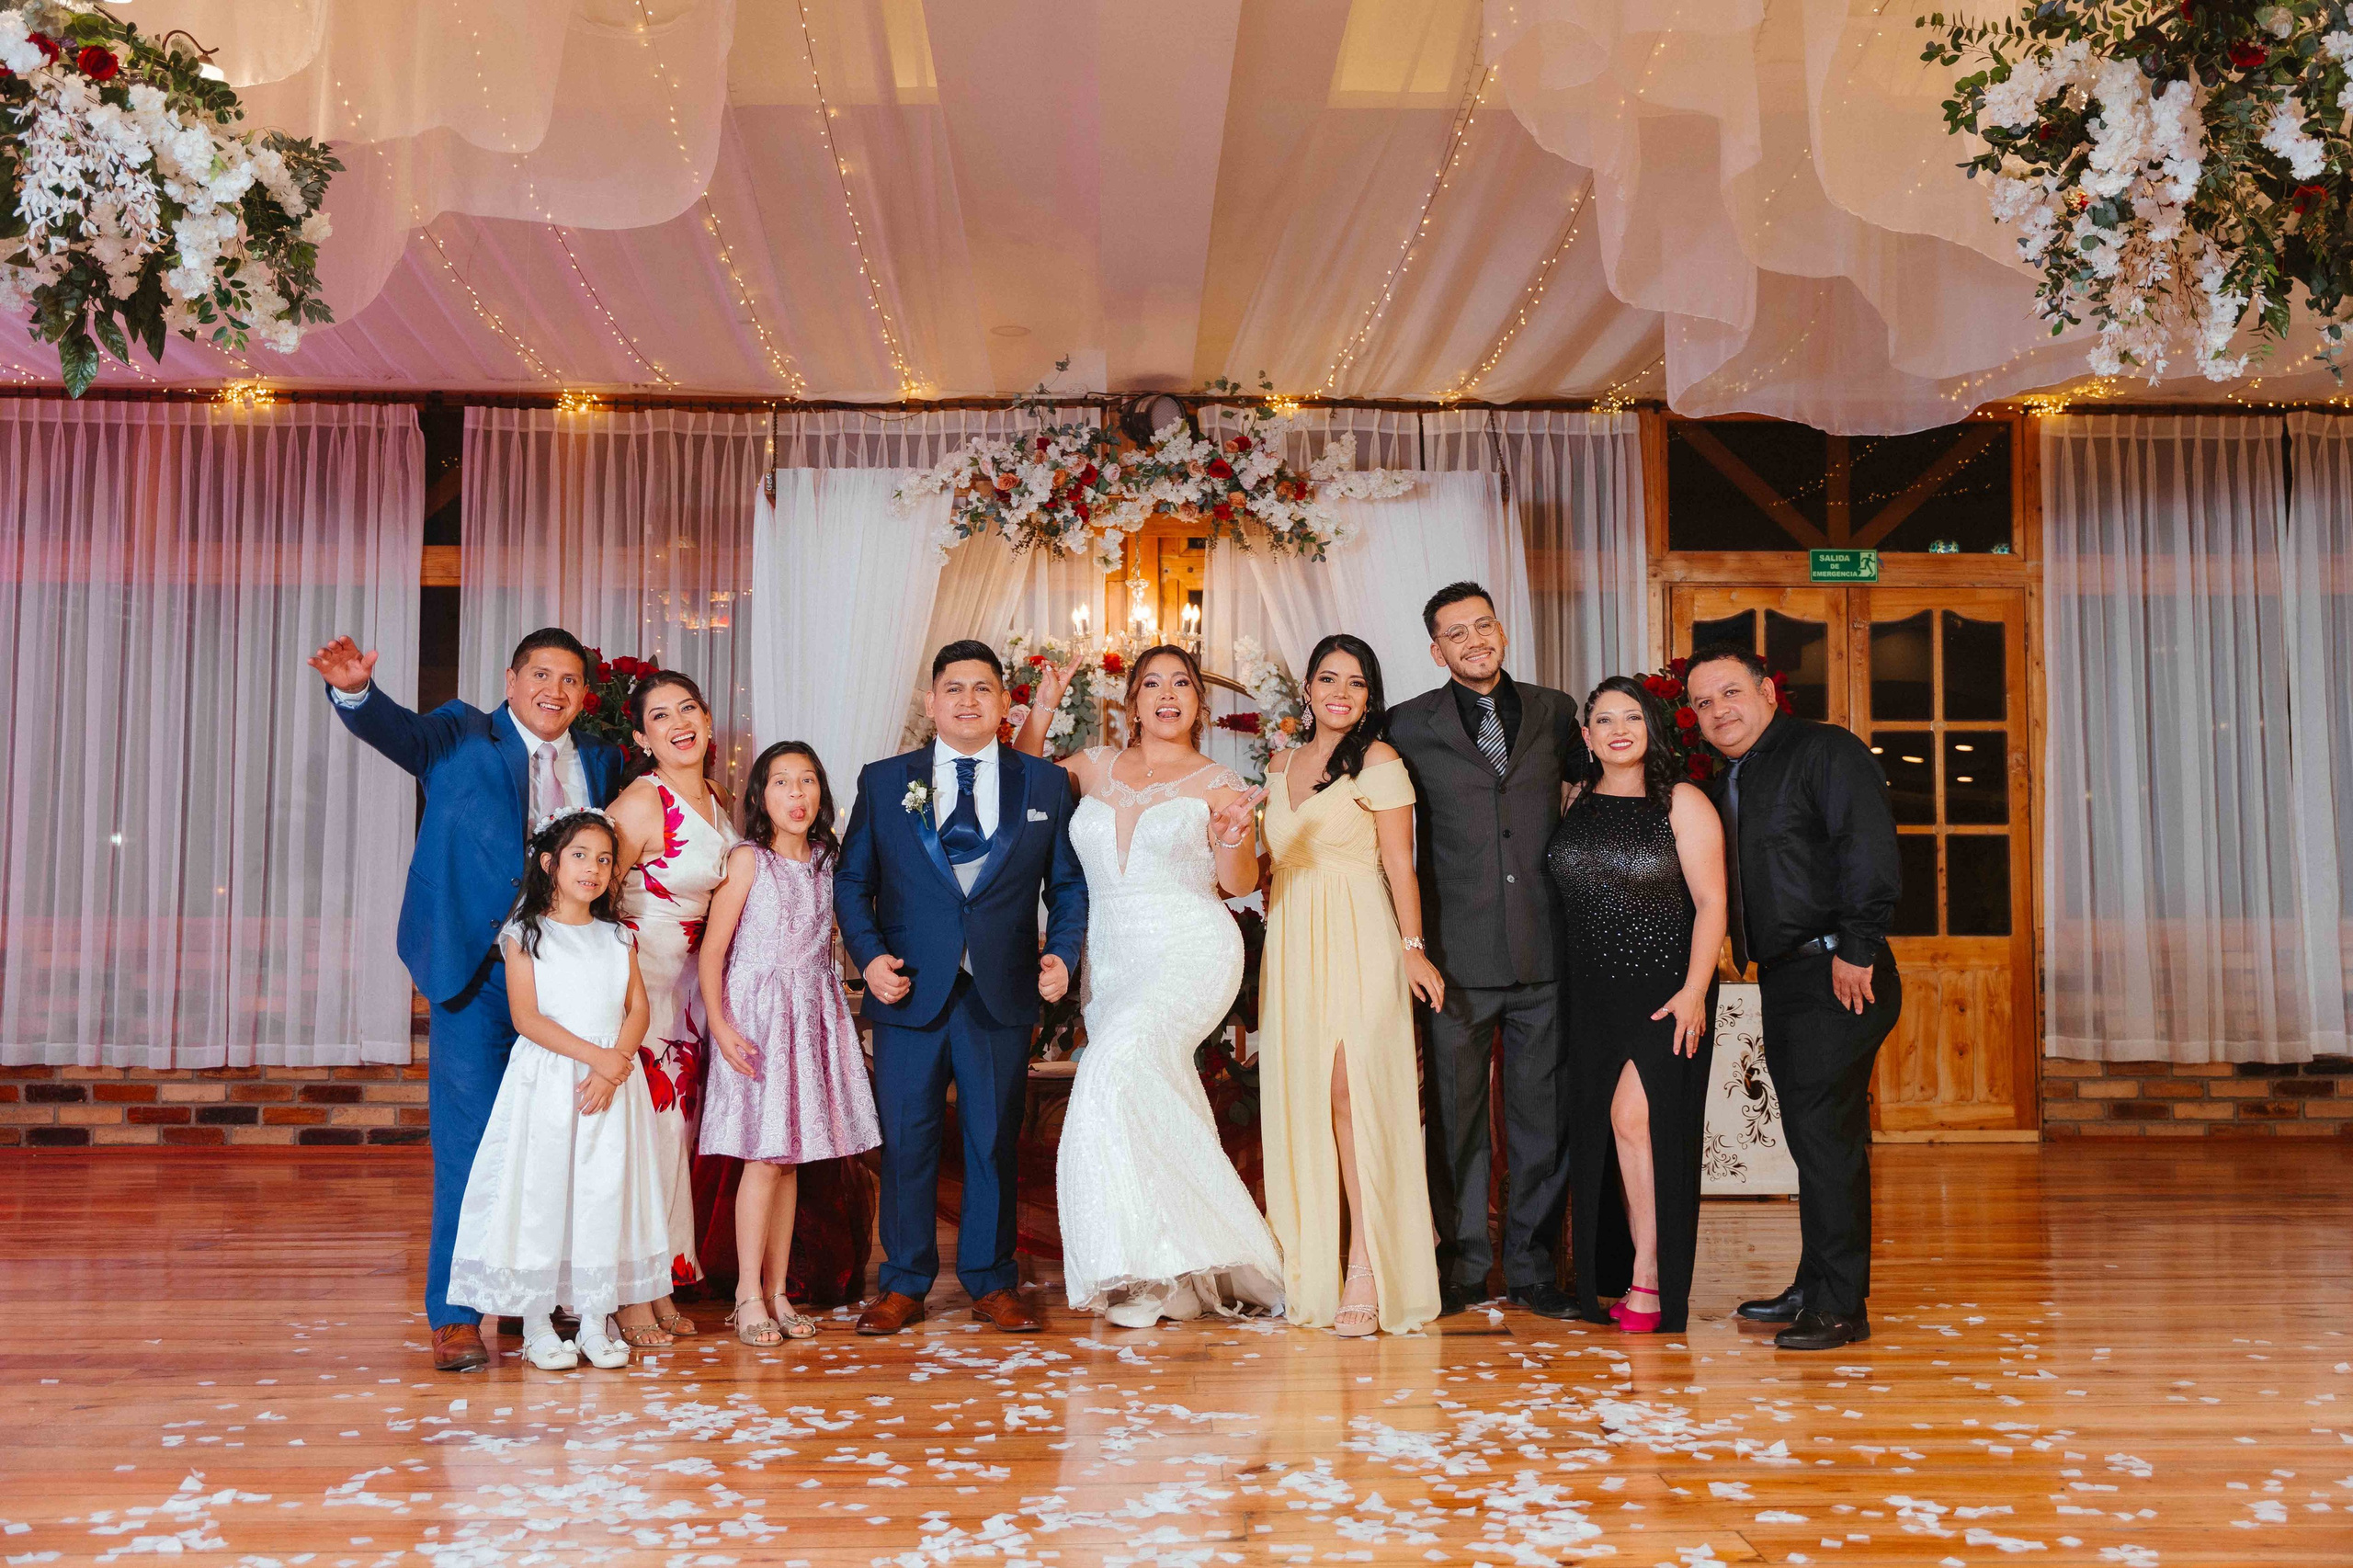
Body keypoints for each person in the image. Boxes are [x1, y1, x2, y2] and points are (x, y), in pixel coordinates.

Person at [312, 628, 624, 1373]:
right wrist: (356, 692)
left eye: (570, 680)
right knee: (472, 1145)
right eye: (541, 674)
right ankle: (456, 1317)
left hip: (565, 982)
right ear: (511, 679)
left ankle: (532, 1302)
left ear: (585, 695)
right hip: (477, 973)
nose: (555, 690)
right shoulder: (459, 732)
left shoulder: (603, 761)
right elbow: (398, 733)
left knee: (555, 1142)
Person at [1016, 644, 1283, 1328]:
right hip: (1112, 960)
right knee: (1152, 1091)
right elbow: (1019, 783)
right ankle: (1186, 1262)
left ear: (1198, 701)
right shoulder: (1095, 766)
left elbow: (1239, 885)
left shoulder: (1217, 780)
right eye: (1152, 683)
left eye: (1182, 684)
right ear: (1130, 701)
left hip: (1189, 951)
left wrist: (1233, 834)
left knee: (1112, 1070)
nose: (1168, 694)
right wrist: (1042, 707)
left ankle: (1136, 1261)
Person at [833, 640, 1090, 1335]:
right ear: (932, 702)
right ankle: (905, 1283)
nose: (968, 700)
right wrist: (871, 956)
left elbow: (1066, 885)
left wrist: (1063, 953)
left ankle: (990, 1280)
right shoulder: (886, 781)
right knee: (908, 1140)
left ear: (1005, 703)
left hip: (1000, 993)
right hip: (907, 992)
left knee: (992, 1140)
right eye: (954, 688)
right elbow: (854, 881)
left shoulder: (1042, 784)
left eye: (983, 689)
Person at [1686, 642, 1903, 1352]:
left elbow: (1865, 846)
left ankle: (1841, 1307)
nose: (1719, 710)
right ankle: (1815, 1283)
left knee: (1829, 1143)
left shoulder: (1824, 752)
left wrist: (1856, 947)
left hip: (1837, 971)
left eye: (1730, 693)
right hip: (1786, 977)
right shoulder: (1735, 777)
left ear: (1768, 693)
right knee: (1812, 1143)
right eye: (1703, 702)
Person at [1385, 581, 1586, 1319]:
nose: (1476, 641)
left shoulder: (1556, 711)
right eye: (1457, 633)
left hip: (1544, 952)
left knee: (1542, 1122)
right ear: (1436, 649)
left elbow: (1596, 798)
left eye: (1485, 626)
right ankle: (1463, 1267)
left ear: (1502, 632)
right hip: (1454, 961)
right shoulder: (1406, 725)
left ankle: (1535, 1270)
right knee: (1457, 1122)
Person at [1259, 634, 1444, 1337]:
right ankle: (1315, 1264)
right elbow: (1266, 869)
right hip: (1294, 939)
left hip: (1363, 932)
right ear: (1306, 688)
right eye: (1329, 678)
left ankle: (1370, 1263)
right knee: (1310, 1098)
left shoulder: (1379, 760)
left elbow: (1402, 864)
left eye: (1357, 682)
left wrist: (1413, 950)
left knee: (1354, 1092)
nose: (1341, 691)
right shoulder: (1279, 763)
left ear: (1370, 697)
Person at [447, 810, 670, 1370]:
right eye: (579, 856)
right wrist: (600, 1058)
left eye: (603, 860)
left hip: (610, 1085)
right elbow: (527, 1018)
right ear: (549, 864)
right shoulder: (524, 934)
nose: (592, 869)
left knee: (604, 1191)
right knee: (544, 1192)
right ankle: (538, 1323)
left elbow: (637, 1007)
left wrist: (613, 1065)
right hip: (552, 1081)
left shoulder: (618, 935)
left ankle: (595, 1318)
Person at [1544, 677, 1728, 1334]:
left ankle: (1650, 1276)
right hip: (1590, 998)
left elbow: (1711, 903)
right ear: (1588, 737)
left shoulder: (1681, 801)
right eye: (1603, 719)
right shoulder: (1573, 803)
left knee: (1634, 1120)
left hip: (1665, 993)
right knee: (1612, 1133)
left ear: (1652, 727)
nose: (1618, 728)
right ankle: (1624, 1273)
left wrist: (1695, 991)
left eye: (1632, 716)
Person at [698, 741, 881, 1345]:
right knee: (763, 1156)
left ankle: (778, 1291)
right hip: (756, 1018)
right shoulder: (749, 860)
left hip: (811, 1016)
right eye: (782, 783)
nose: (796, 795)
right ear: (760, 796)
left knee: (792, 1157)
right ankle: (748, 1293)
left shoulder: (829, 860)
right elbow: (714, 951)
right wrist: (722, 1026)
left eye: (807, 782)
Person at [608, 670, 735, 1346]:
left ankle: (658, 1283)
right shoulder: (640, 801)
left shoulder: (716, 798)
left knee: (671, 1144)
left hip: (689, 994)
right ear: (642, 737)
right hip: (642, 989)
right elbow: (595, 898)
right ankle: (628, 1296)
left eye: (688, 708)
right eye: (660, 716)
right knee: (641, 1141)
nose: (679, 722)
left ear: (708, 721)